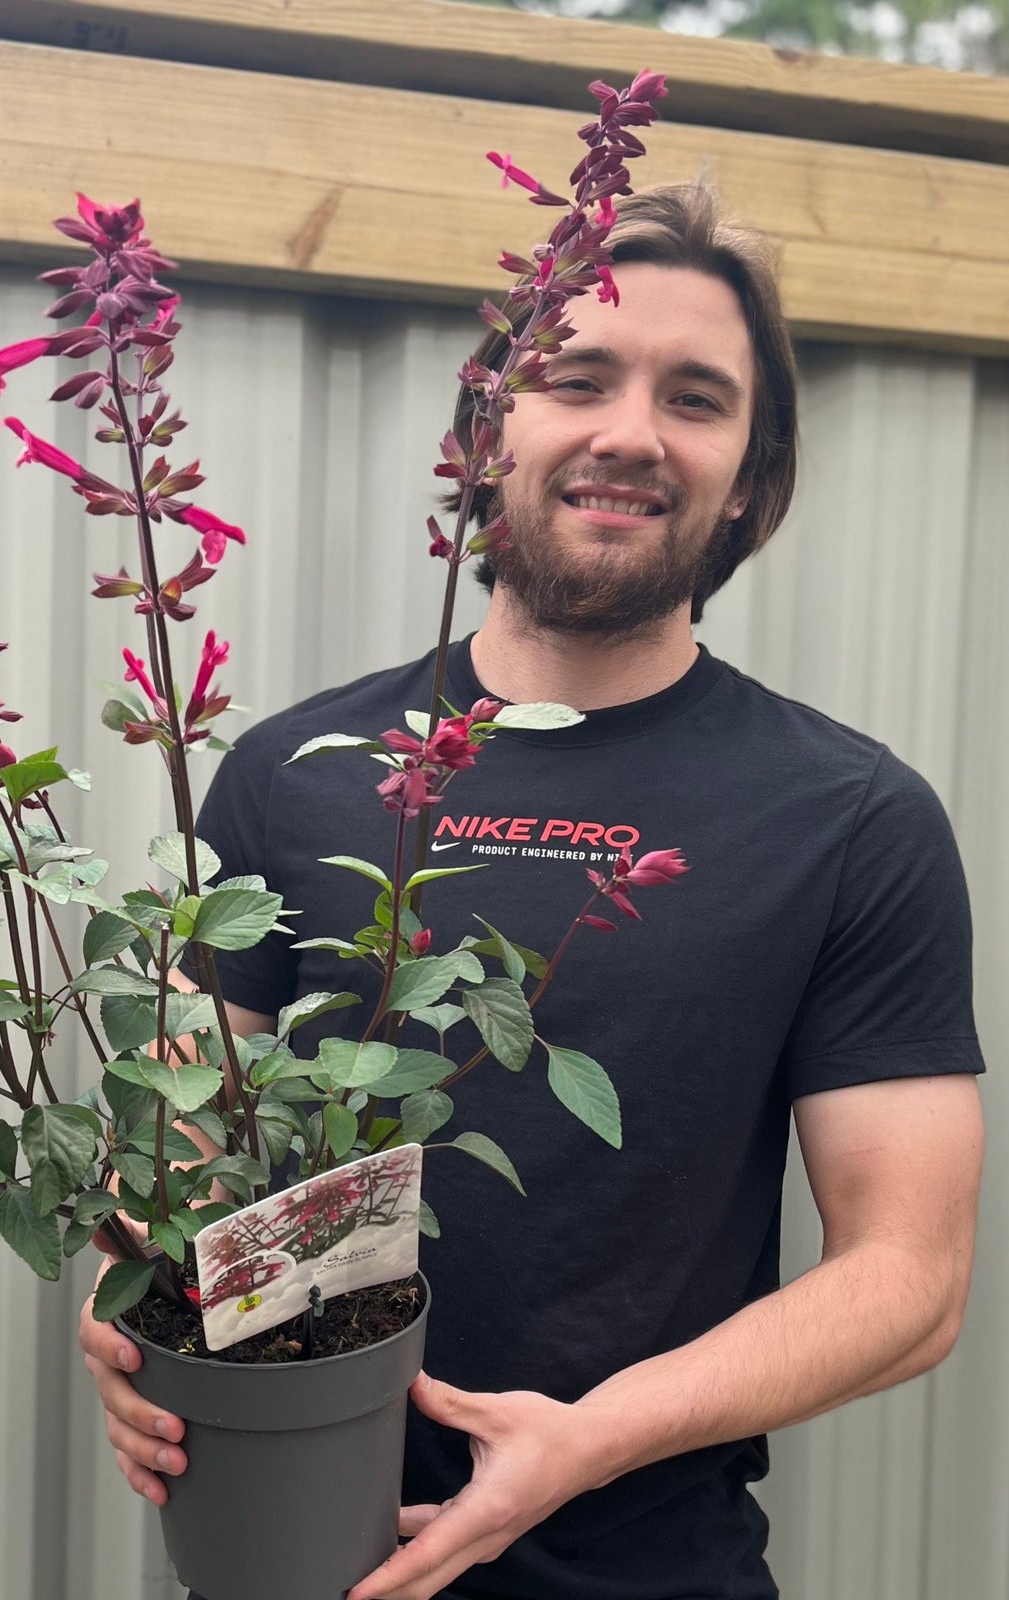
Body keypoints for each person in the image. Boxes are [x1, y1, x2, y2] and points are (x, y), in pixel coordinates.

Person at [78, 185, 985, 1600]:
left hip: (655, 1571)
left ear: (749, 475)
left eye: (696, 398)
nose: (629, 432)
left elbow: (909, 1279)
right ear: (488, 429)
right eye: (578, 378)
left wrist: (590, 1440)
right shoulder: (290, 771)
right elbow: (184, 1134)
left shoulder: (853, 819)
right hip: (289, 1556)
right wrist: (141, 1297)